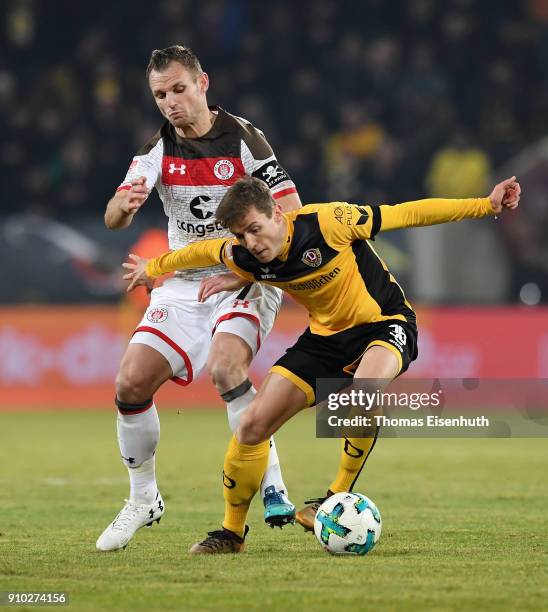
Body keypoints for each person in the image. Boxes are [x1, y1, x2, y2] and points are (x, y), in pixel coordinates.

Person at [124, 174, 521, 554]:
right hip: (325, 342)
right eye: (240, 234)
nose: (250, 241)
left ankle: (335, 495)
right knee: (251, 426)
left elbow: (408, 213)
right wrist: (153, 268)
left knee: (364, 392)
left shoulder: (329, 222)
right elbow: (199, 252)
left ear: (277, 214)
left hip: (384, 323)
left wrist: (485, 205)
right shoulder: (243, 254)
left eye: (255, 228)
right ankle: (231, 533)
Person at [97, 45, 302, 552]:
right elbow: (113, 218)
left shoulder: (246, 140)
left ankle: (272, 484)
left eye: (179, 89)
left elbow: (293, 211)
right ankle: (143, 498)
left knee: (227, 369)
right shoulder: (156, 152)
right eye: (160, 94)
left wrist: (249, 266)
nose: (170, 102)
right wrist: (121, 207)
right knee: (129, 383)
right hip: (185, 284)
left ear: (203, 83)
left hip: (244, 276)